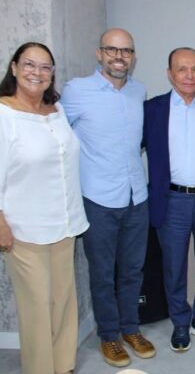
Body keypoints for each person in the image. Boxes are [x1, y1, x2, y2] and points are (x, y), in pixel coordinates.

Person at [61, 28, 155, 368]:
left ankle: (131, 329)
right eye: (112, 50)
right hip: (97, 199)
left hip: (136, 196)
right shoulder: (76, 91)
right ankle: (109, 336)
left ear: (133, 56)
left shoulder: (138, 91)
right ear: (99, 54)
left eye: (126, 50)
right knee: (102, 274)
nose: (119, 56)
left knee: (132, 270)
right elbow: (58, 138)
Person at [0, 42, 89, 374]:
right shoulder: (4, 114)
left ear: (52, 73)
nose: (36, 73)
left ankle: (63, 366)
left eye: (45, 67)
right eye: (29, 64)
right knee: (36, 307)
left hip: (64, 223)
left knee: (63, 301)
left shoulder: (57, 110)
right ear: (14, 68)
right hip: (25, 230)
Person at [143, 47, 195, 352]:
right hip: (172, 201)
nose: (190, 75)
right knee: (173, 268)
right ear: (170, 74)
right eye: (182, 69)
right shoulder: (152, 110)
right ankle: (180, 322)